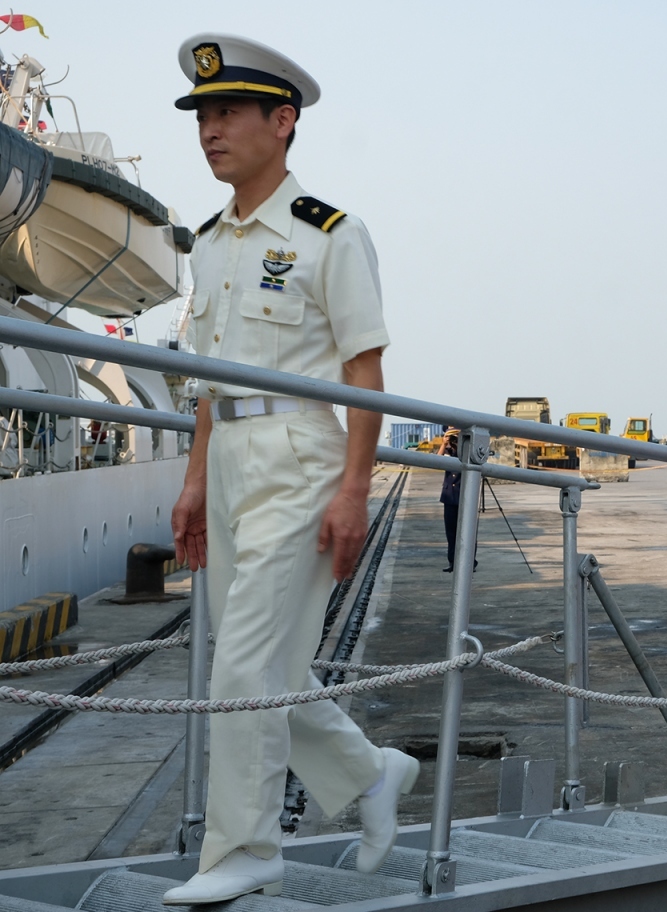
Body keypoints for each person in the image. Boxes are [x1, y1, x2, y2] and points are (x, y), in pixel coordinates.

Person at [168, 35, 418, 904]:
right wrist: (196, 479)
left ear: (283, 122)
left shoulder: (330, 237)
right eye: (202, 114)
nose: (210, 129)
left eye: (227, 111)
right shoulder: (206, 243)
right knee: (265, 662)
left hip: (302, 457)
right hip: (230, 459)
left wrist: (355, 490)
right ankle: (372, 773)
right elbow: (209, 379)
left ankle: (244, 849)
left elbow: (366, 375)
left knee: (242, 666)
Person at [437, 427, 477, 572]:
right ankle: (453, 562)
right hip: (449, 496)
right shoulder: (447, 449)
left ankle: (470, 562)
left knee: (468, 530)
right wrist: (444, 444)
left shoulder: (467, 447)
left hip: (465, 494)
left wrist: (462, 440)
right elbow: (436, 461)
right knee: (451, 532)